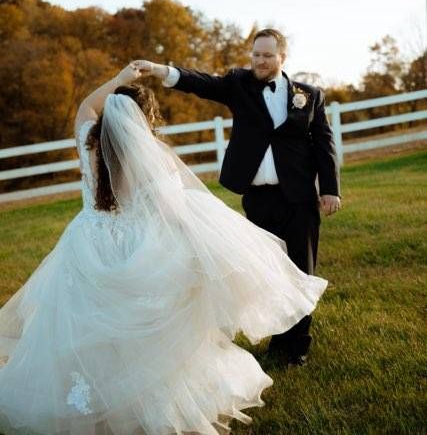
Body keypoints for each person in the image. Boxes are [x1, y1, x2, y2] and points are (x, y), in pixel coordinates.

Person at [0, 61, 328, 435]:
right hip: (136, 246)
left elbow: (86, 106)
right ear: (144, 120)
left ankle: (95, 403)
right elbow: (170, 208)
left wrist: (118, 80)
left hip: (88, 243)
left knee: (89, 328)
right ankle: (145, 404)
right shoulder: (151, 156)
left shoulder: (87, 137)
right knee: (149, 332)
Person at [138, 28, 341, 367]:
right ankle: (277, 341)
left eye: (267, 55)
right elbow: (201, 82)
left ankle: (297, 346)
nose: (260, 61)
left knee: (301, 270)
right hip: (258, 199)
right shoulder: (238, 84)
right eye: (256, 54)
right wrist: (161, 70)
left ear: (282, 57)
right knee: (267, 271)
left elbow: (324, 144)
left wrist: (330, 188)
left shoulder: (309, 95)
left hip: (299, 198)